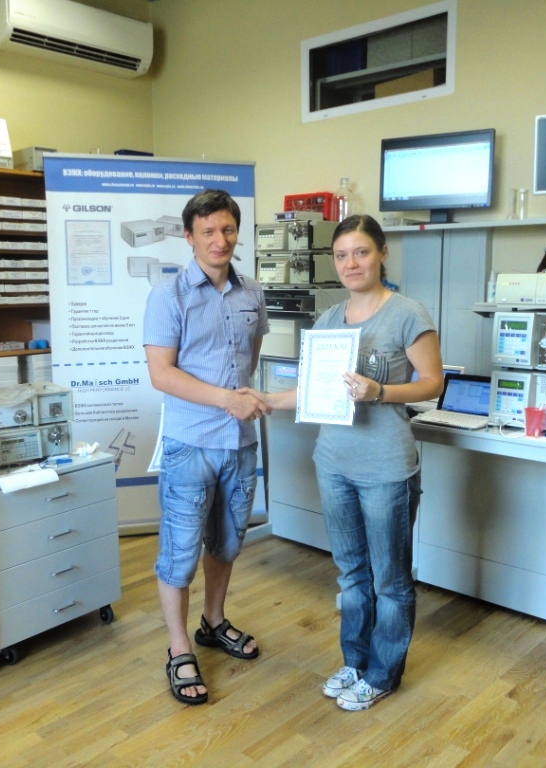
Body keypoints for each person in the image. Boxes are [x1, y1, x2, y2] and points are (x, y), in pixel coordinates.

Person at [261, 214, 443, 711]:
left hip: (386, 468)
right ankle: (355, 661)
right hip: (334, 463)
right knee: (351, 575)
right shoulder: (327, 322)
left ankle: (382, 673)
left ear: (382, 253)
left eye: (361, 252)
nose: (351, 263)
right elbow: (310, 391)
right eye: (341, 255)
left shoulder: (407, 313)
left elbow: (432, 383)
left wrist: (380, 391)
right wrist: (263, 399)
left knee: (390, 581)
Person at [143, 188, 271, 705]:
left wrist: (238, 400)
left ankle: (213, 622)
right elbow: (161, 373)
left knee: (226, 543)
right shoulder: (168, 296)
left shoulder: (251, 292)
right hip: (190, 443)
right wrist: (225, 399)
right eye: (208, 231)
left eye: (228, 229)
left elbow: (250, 356)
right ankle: (178, 648)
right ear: (189, 236)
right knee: (179, 553)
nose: (220, 240)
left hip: (239, 443)